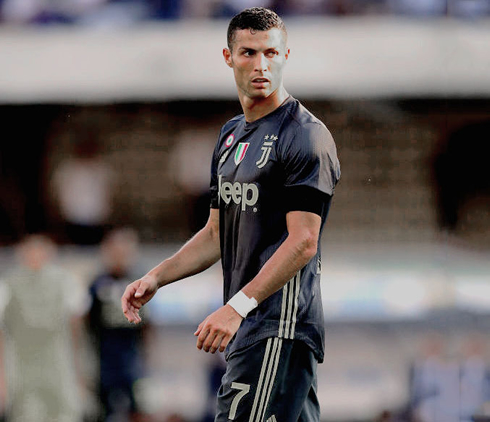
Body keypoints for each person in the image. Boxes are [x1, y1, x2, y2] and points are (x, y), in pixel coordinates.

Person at [122, 7, 340, 422]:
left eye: (271, 53)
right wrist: (156, 277)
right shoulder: (230, 134)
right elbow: (214, 233)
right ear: (228, 57)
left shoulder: (305, 135)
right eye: (249, 53)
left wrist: (236, 307)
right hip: (253, 327)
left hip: (278, 325)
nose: (261, 65)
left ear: (286, 56)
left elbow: (304, 241)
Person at [0, 234, 85, 422]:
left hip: (58, 363)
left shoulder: (64, 281)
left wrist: (80, 369)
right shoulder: (9, 284)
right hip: (23, 367)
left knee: (64, 412)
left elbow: (76, 325)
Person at [87, 228, 151, 421]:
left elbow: (148, 324)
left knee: (138, 406)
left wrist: (147, 355)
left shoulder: (140, 282)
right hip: (105, 358)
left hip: (132, 356)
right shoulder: (98, 284)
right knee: (102, 408)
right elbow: (88, 324)